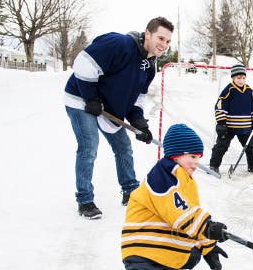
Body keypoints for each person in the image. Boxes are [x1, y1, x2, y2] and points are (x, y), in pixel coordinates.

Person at [62, 123, 230, 270]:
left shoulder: (185, 179)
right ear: (176, 155)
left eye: (198, 158)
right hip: (143, 245)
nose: (196, 163)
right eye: (192, 157)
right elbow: (181, 215)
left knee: (192, 255)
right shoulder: (164, 176)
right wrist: (209, 227)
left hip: (160, 241)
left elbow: (191, 213)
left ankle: (164, 263)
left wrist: (207, 246)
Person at [64, 16, 174, 219]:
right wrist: (91, 98)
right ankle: (85, 200)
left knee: (123, 146)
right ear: (147, 34)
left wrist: (139, 122)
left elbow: (138, 98)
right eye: (160, 38)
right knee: (89, 146)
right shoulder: (120, 44)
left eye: (168, 41)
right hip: (81, 98)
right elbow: (83, 63)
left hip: (106, 106)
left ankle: (130, 191)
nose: (164, 45)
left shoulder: (150, 65)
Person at [209, 63, 253, 174]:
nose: (241, 80)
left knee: (251, 146)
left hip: (245, 127)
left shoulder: (249, 91)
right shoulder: (229, 90)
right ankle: (213, 166)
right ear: (233, 78)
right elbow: (220, 106)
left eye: (243, 78)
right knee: (221, 146)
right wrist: (221, 123)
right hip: (229, 127)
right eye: (238, 78)